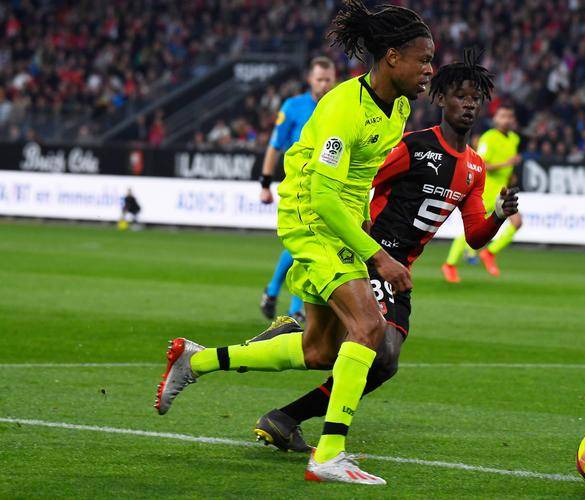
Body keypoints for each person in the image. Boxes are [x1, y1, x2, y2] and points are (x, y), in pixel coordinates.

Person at [153, 0, 434, 485]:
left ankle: (195, 360)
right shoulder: (343, 107)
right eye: (423, 59)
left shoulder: (401, 108)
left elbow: (357, 180)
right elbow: (322, 195)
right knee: (368, 327)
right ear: (392, 57)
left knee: (319, 350)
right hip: (311, 214)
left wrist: (365, 226)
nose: (430, 69)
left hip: (340, 219)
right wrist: (378, 255)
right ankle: (329, 453)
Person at [252, 49, 519, 454]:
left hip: (400, 269)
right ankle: (313, 430)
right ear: (441, 99)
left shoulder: (474, 169)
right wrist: (355, 232)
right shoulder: (413, 147)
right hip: (372, 255)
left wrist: (498, 214)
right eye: (460, 96)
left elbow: (475, 237)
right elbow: (362, 180)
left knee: (374, 362)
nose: (469, 104)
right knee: (382, 352)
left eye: (475, 99)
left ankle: (287, 407)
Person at [258, 57, 336, 325]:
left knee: (307, 243)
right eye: (320, 79)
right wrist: (265, 183)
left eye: (328, 80)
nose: (324, 84)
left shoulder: (338, 106)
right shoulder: (293, 107)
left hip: (326, 184)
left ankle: (275, 294)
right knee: (306, 242)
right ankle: (293, 306)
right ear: (310, 80)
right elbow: (275, 146)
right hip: (298, 185)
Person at [442, 104, 523, 282]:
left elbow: (507, 165)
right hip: (486, 190)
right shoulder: (489, 138)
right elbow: (481, 164)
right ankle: (450, 264)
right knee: (473, 231)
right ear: (496, 119)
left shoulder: (514, 138)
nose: (506, 120)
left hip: (502, 190)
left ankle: (489, 253)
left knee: (517, 222)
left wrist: (511, 175)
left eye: (509, 116)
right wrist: (506, 164)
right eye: (503, 116)